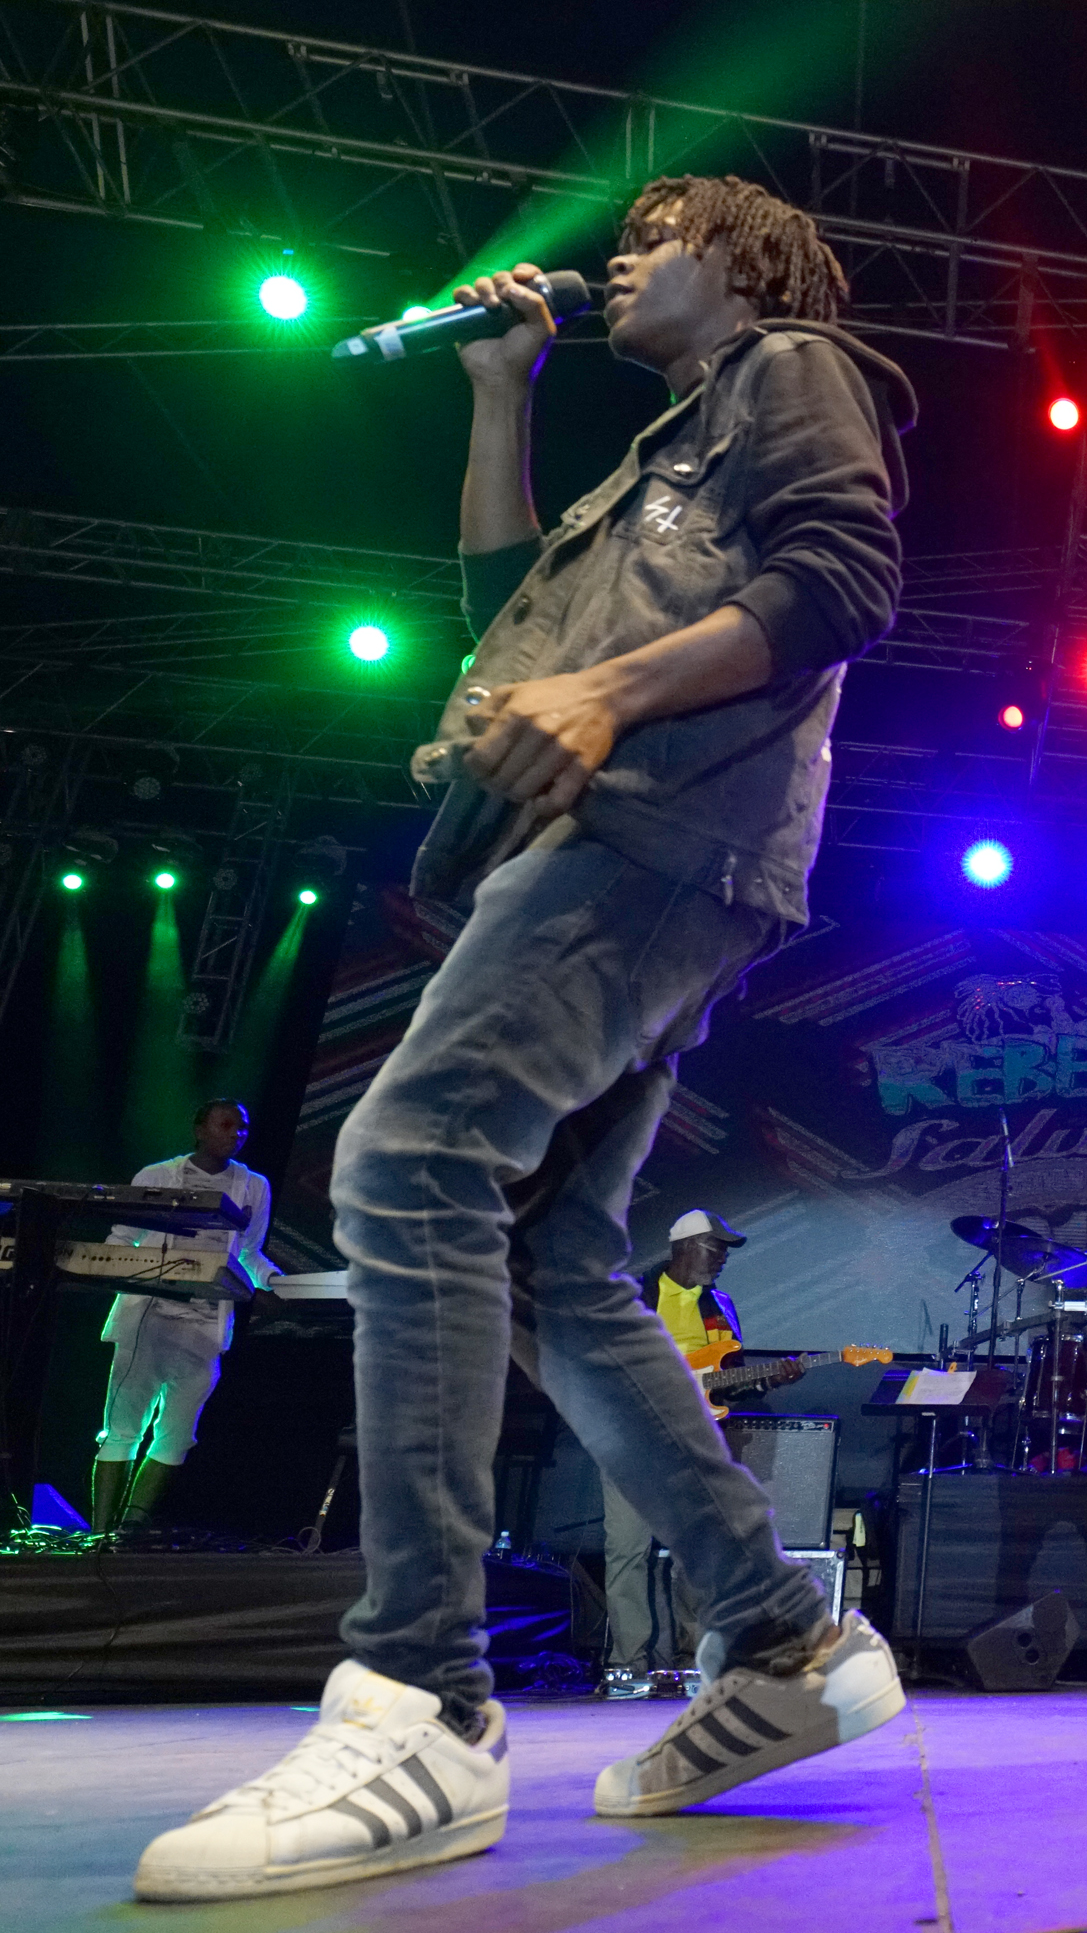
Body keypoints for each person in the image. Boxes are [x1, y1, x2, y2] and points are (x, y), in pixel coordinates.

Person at [135, 174, 919, 1903]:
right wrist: (503, 395)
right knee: (557, 1261)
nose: (622, 255)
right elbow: (514, 626)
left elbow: (847, 578)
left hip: (652, 833)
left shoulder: (792, 366)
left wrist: (613, 696)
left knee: (410, 1161)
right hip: (612, 844)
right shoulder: (653, 458)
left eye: (660, 233)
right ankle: (781, 1638)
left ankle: (422, 1695)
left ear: (749, 266)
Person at [94, 1099, 277, 1536]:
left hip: (205, 1325)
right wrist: (105, 1265)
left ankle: (127, 1534)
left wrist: (277, 1284)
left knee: (177, 1434)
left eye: (243, 1127)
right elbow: (122, 1238)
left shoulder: (253, 1186)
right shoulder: (157, 1175)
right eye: (226, 1124)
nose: (237, 1134)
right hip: (149, 1318)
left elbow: (249, 1253)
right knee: (122, 1427)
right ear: (199, 1129)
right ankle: (97, 1535)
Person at [602, 1208, 752, 1698]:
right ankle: (628, 1664)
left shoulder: (721, 1305)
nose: (723, 1259)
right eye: (716, 1248)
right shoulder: (630, 1297)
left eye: (726, 1251)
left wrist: (770, 1378)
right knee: (627, 1550)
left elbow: (729, 1380)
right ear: (685, 1247)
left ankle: (693, 1663)